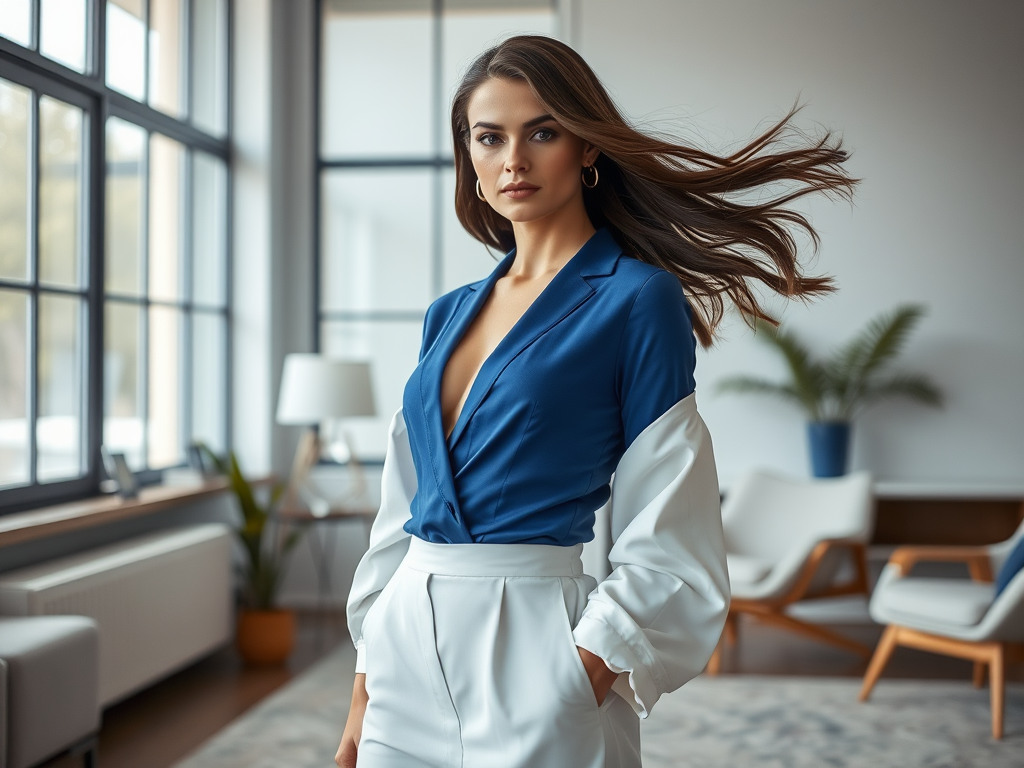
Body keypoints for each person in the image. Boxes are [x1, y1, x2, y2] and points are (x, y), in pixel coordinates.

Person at [335, 35, 855, 768]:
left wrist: (584, 671)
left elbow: (672, 515)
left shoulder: (638, 299)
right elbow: (402, 507)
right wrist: (364, 690)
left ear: (586, 149)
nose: (513, 158)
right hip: (401, 654)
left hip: (534, 643)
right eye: (490, 137)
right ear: (471, 159)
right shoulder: (445, 315)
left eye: (541, 131)